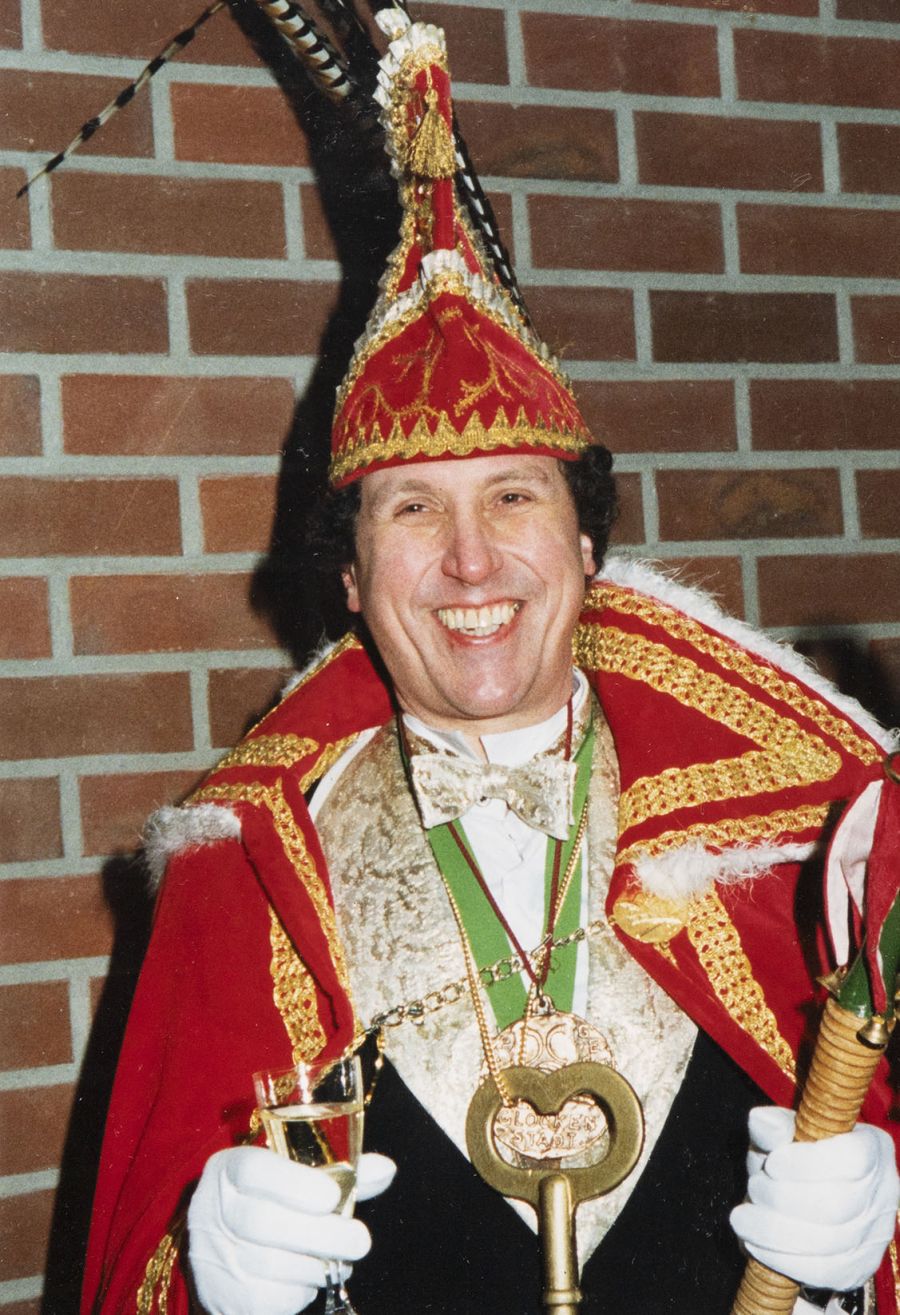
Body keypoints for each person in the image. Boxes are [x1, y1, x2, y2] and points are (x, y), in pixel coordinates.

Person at [81, 11, 899, 1315]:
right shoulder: (244, 882)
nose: (471, 563)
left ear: (587, 547)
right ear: (351, 581)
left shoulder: (797, 842)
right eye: (412, 508)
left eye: (514, 497)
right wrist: (208, 1278)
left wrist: (855, 1278)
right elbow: (139, 1262)